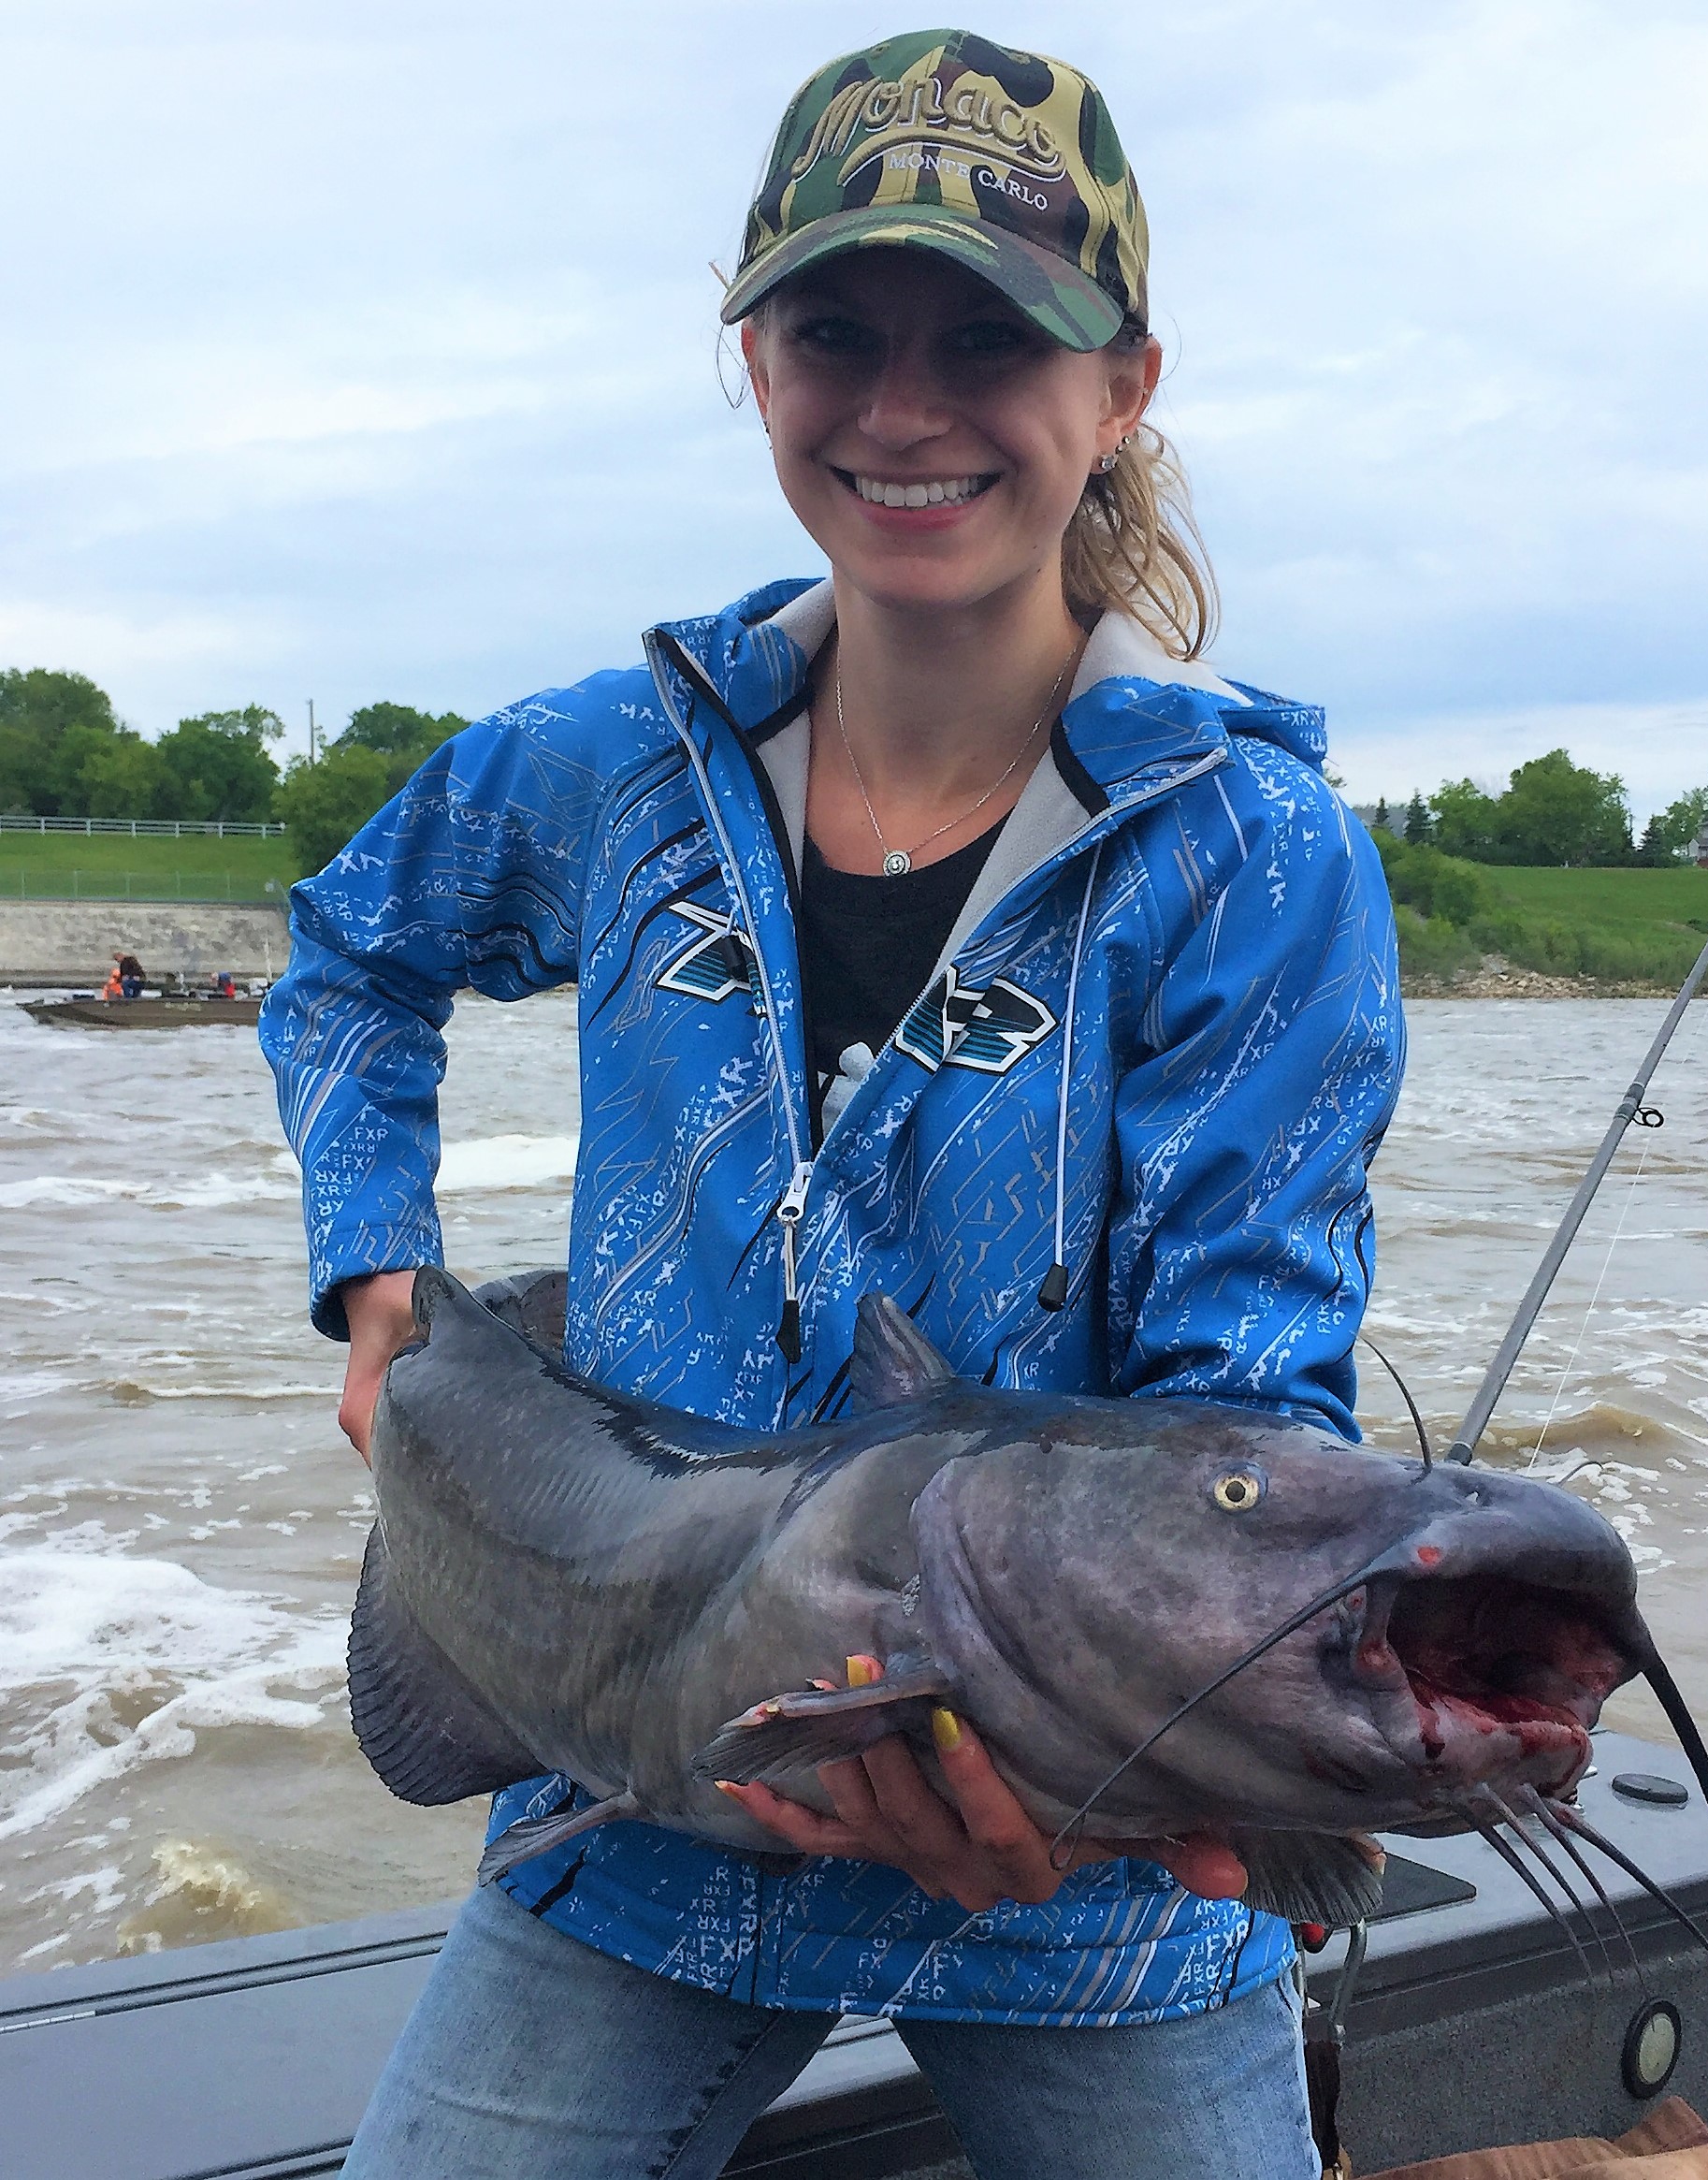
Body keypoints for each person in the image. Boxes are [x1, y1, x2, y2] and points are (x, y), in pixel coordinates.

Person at [260, 29, 1402, 2179]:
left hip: (1085, 1887)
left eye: (991, 336)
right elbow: (345, 954)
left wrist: (1125, 1760)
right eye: (833, 332)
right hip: (624, 1792)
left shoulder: (1251, 854)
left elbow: (1244, 1408)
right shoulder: (615, 761)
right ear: (752, 364)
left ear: (1122, 386)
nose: (900, 406)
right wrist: (377, 1272)